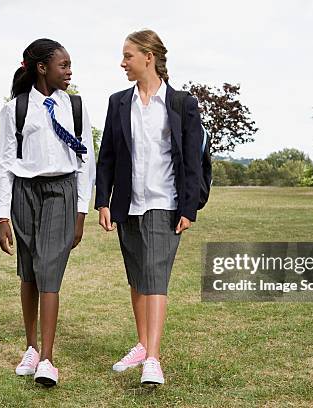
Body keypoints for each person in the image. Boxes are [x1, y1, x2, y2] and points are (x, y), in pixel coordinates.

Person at [95, 29, 203, 385]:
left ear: (148, 57)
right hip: (128, 205)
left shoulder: (181, 104)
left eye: (128, 55)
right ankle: (142, 344)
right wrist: (103, 201)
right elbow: (107, 156)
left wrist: (189, 207)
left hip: (164, 203)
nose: (122, 62)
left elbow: (193, 160)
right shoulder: (118, 102)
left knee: (155, 279)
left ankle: (153, 359)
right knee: (138, 279)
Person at [0, 38, 95, 387]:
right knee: (30, 271)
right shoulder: (15, 109)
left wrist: (81, 211)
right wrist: (1, 216)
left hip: (61, 192)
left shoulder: (75, 107)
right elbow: (5, 165)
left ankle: (48, 360)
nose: (69, 71)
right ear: (41, 68)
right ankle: (31, 349)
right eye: (63, 65)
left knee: (50, 269)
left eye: (69, 65)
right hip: (25, 192)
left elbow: (86, 163)